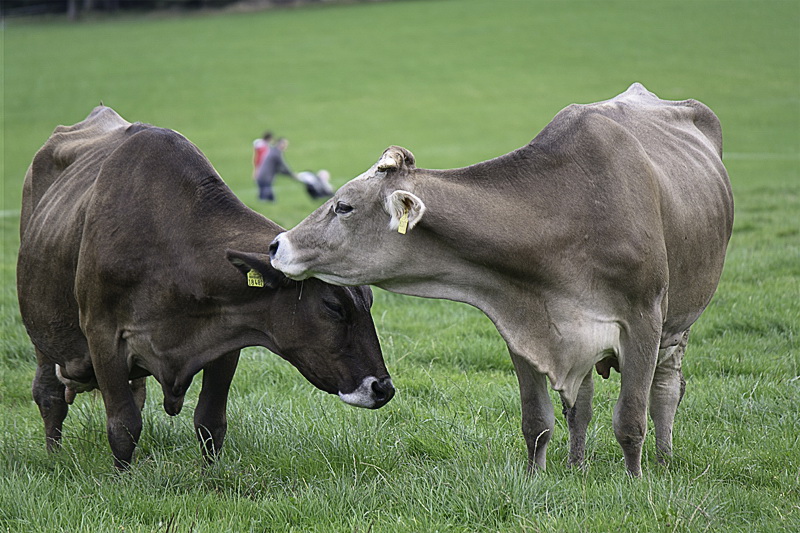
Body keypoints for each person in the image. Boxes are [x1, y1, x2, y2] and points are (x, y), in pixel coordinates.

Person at [255, 137, 294, 201]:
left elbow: (279, 169)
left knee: (268, 199)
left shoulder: (273, 151)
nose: (286, 146)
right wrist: (292, 174)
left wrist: (289, 174)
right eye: (285, 144)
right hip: (265, 178)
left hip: (262, 176)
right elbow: (283, 166)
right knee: (266, 199)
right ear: (280, 144)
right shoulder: (276, 153)